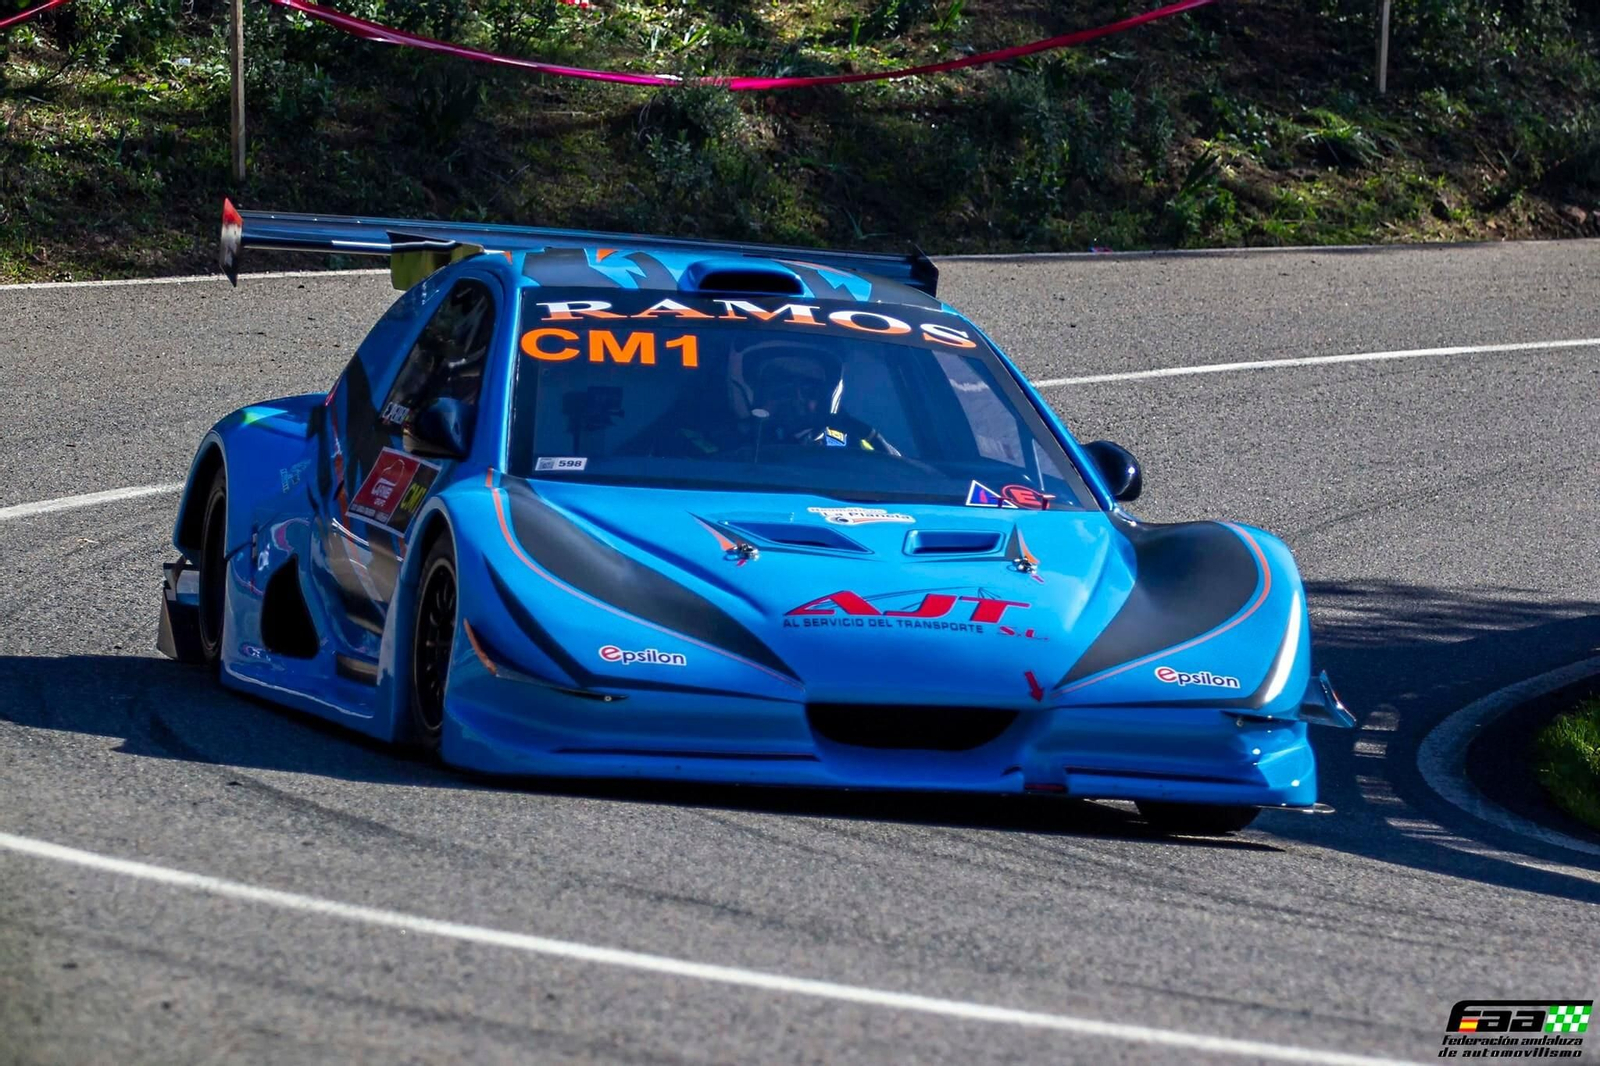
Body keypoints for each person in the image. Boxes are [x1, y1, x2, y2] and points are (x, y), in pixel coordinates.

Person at [642, 340, 899, 458]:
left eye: (810, 386)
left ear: (828, 393)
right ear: (746, 385)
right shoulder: (688, 446)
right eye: (780, 382)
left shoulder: (856, 446)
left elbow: (903, 476)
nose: (795, 396)